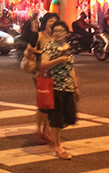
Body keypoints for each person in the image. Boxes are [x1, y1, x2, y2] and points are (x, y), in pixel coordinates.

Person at [40, 20, 79, 159]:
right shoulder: (49, 46)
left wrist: (76, 86)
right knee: (56, 118)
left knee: (71, 117)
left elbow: (71, 68)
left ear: (66, 34)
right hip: (55, 87)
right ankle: (58, 147)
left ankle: (52, 131)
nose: (57, 33)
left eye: (60, 31)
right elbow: (44, 65)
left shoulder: (68, 47)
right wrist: (59, 60)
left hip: (68, 87)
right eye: (55, 31)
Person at [34, 12, 59, 144]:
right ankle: (40, 130)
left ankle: (46, 129)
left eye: (55, 21)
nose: (52, 23)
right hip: (41, 74)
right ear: (45, 23)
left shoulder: (57, 38)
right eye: (50, 21)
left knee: (51, 104)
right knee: (43, 103)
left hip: (55, 75)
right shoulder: (39, 36)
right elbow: (29, 50)